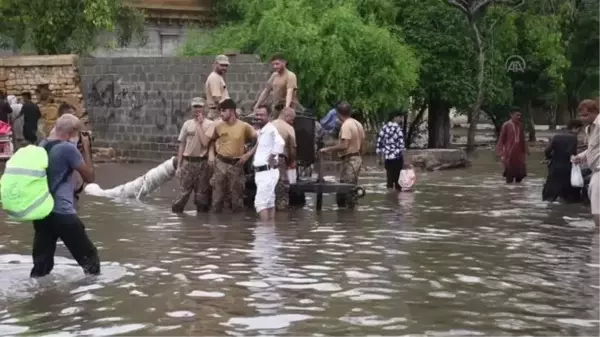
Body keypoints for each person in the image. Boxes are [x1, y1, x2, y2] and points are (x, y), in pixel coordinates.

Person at [31, 114, 99, 277]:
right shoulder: (68, 149)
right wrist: (87, 150)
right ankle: (92, 297)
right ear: (72, 133)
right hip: (63, 214)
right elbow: (89, 177)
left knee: (41, 267)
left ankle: (39, 299)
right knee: (91, 261)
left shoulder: (43, 145)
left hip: (42, 213)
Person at [210, 98, 258, 212]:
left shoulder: (244, 126)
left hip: (236, 165)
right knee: (217, 199)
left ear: (231, 111)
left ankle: (236, 227)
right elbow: (212, 141)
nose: (221, 114)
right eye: (220, 111)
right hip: (220, 163)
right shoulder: (219, 126)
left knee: (237, 200)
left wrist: (248, 154)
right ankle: (215, 227)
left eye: (223, 111)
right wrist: (211, 155)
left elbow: (259, 140)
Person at [172, 98, 215, 213]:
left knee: (201, 197)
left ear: (204, 108)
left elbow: (205, 142)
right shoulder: (187, 124)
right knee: (183, 194)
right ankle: (176, 220)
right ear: (191, 108)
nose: (197, 109)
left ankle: (200, 226)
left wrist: (200, 124)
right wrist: (179, 166)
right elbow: (182, 145)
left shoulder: (210, 124)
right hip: (187, 162)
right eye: (195, 106)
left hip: (202, 163)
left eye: (199, 106)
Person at [320, 102, 366, 208]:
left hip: (350, 160)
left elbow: (344, 145)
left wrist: (328, 149)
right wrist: (359, 157)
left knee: (346, 191)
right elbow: (363, 145)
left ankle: (346, 220)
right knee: (350, 188)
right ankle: (348, 218)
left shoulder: (346, 125)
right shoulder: (358, 124)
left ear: (338, 114)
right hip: (356, 158)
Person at [249, 107, 285, 220]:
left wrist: (272, 156)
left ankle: (263, 232)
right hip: (263, 173)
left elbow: (281, 143)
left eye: (261, 115)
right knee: (269, 203)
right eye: (257, 115)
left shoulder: (270, 130)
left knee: (260, 204)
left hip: (267, 172)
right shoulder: (262, 131)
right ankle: (270, 231)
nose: (258, 117)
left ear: (268, 117)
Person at [572, 99, 600, 227]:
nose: (582, 119)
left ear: (595, 112)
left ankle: (597, 237)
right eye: (581, 116)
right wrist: (580, 157)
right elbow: (592, 149)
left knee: (597, 205)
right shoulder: (589, 128)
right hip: (595, 170)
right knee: (592, 196)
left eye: (586, 115)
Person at [543, 119, 583, 202]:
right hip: (567, 169)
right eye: (579, 130)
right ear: (575, 128)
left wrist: (549, 158)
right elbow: (571, 153)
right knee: (568, 196)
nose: (579, 133)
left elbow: (547, 150)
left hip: (554, 168)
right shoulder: (573, 138)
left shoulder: (556, 136)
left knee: (550, 195)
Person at [270, 107, 297, 210]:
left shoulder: (269, 125)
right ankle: (282, 221)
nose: (292, 122)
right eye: (292, 119)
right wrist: (291, 161)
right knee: (282, 190)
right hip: (278, 160)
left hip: (264, 161)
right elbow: (293, 148)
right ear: (287, 116)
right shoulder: (288, 128)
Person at [496, 107, 527, 184]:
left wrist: (526, 150)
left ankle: (517, 193)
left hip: (519, 154)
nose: (519, 117)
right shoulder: (506, 125)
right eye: (517, 115)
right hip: (509, 153)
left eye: (520, 115)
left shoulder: (521, 125)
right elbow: (501, 139)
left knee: (520, 176)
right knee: (509, 176)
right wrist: (501, 154)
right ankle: (509, 192)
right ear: (511, 115)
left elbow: (523, 139)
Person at [376, 109, 406, 190]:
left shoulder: (384, 128)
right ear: (395, 118)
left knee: (389, 181)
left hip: (388, 158)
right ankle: (396, 199)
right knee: (398, 182)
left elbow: (379, 144)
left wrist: (379, 158)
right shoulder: (398, 129)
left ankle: (389, 198)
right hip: (397, 158)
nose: (401, 119)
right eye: (400, 117)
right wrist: (405, 160)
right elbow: (401, 146)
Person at [205, 55, 230, 120]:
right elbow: (217, 99)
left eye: (226, 65)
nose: (224, 67)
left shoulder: (218, 76)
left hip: (220, 112)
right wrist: (229, 111)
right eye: (222, 65)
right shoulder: (214, 77)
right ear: (215, 64)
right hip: (217, 114)